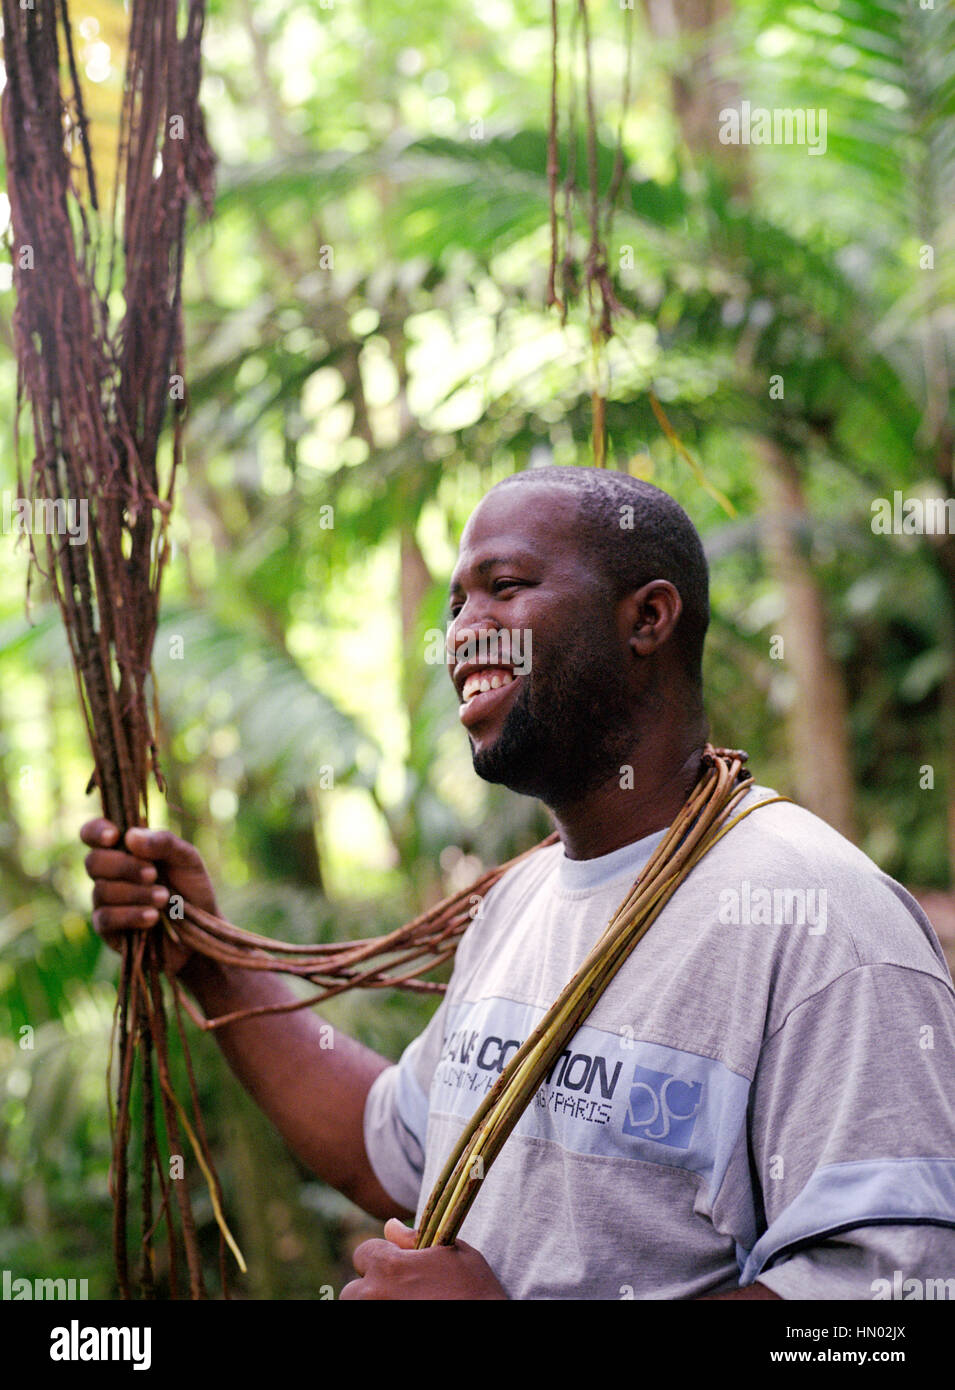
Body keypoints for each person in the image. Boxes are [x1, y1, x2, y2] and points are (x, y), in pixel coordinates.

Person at [82, 465, 955, 1300]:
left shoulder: (822, 921)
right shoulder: (521, 901)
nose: (462, 629)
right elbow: (393, 1154)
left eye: (503, 587)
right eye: (457, 602)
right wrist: (205, 954)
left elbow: (881, 1309)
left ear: (646, 618)